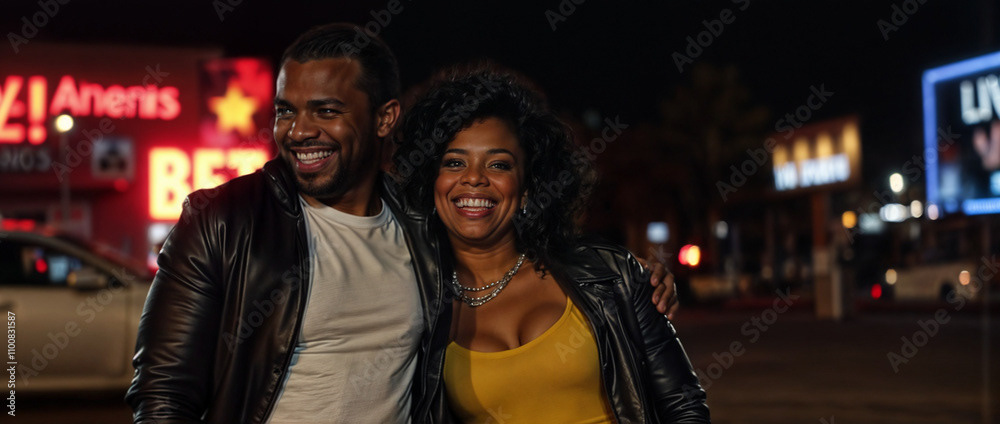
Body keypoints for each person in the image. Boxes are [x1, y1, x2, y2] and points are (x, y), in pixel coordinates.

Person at [126, 23, 677, 423]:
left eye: (326, 110)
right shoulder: (223, 221)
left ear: (385, 117)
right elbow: (163, 395)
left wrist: (630, 278)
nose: (299, 130)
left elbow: (513, 246)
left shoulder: (422, 225)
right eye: (286, 110)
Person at [395, 67, 710, 423]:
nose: (474, 178)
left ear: (527, 187)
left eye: (498, 164)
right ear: (431, 182)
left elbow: (684, 406)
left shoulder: (612, 277)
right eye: (454, 162)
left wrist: (640, 278)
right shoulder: (417, 305)